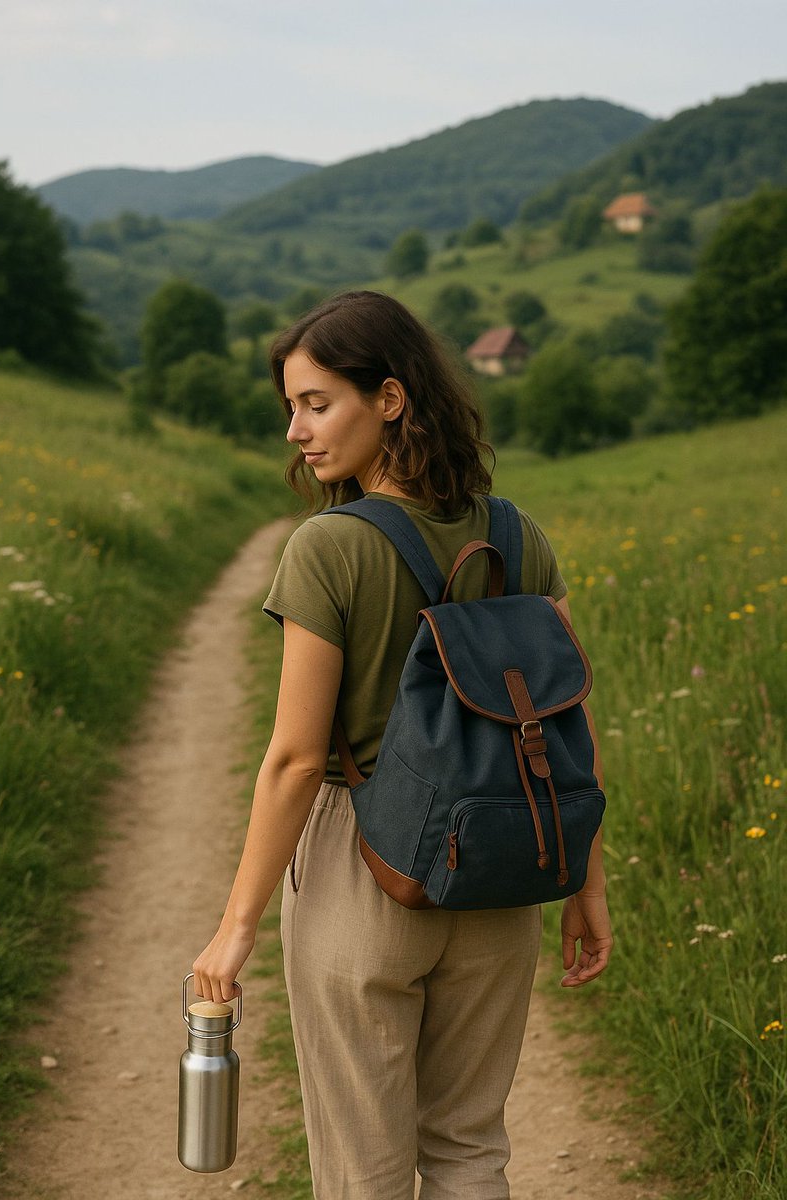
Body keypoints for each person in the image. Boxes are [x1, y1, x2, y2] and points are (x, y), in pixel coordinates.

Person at [192, 290, 612, 1198]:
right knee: (469, 1150)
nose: (297, 432)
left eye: (316, 403)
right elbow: (566, 729)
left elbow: (297, 759)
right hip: (503, 869)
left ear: (388, 399)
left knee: (362, 1169)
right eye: (291, 409)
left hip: (363, 866)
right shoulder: (518, 536)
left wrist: (236, 929)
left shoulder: (328, 548)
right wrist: (584, 887)